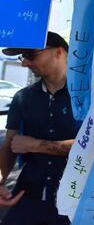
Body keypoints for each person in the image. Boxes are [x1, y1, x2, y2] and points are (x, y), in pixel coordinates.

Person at [0, 31, 79, 225]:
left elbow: (93, 147)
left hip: (76, 201)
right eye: (22, 57)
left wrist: (35, 145)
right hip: (28, 196)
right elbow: (10, 145)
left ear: (59, 52)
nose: (24, 63)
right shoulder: (22, 98)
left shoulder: (86, 97)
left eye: (30, 55)